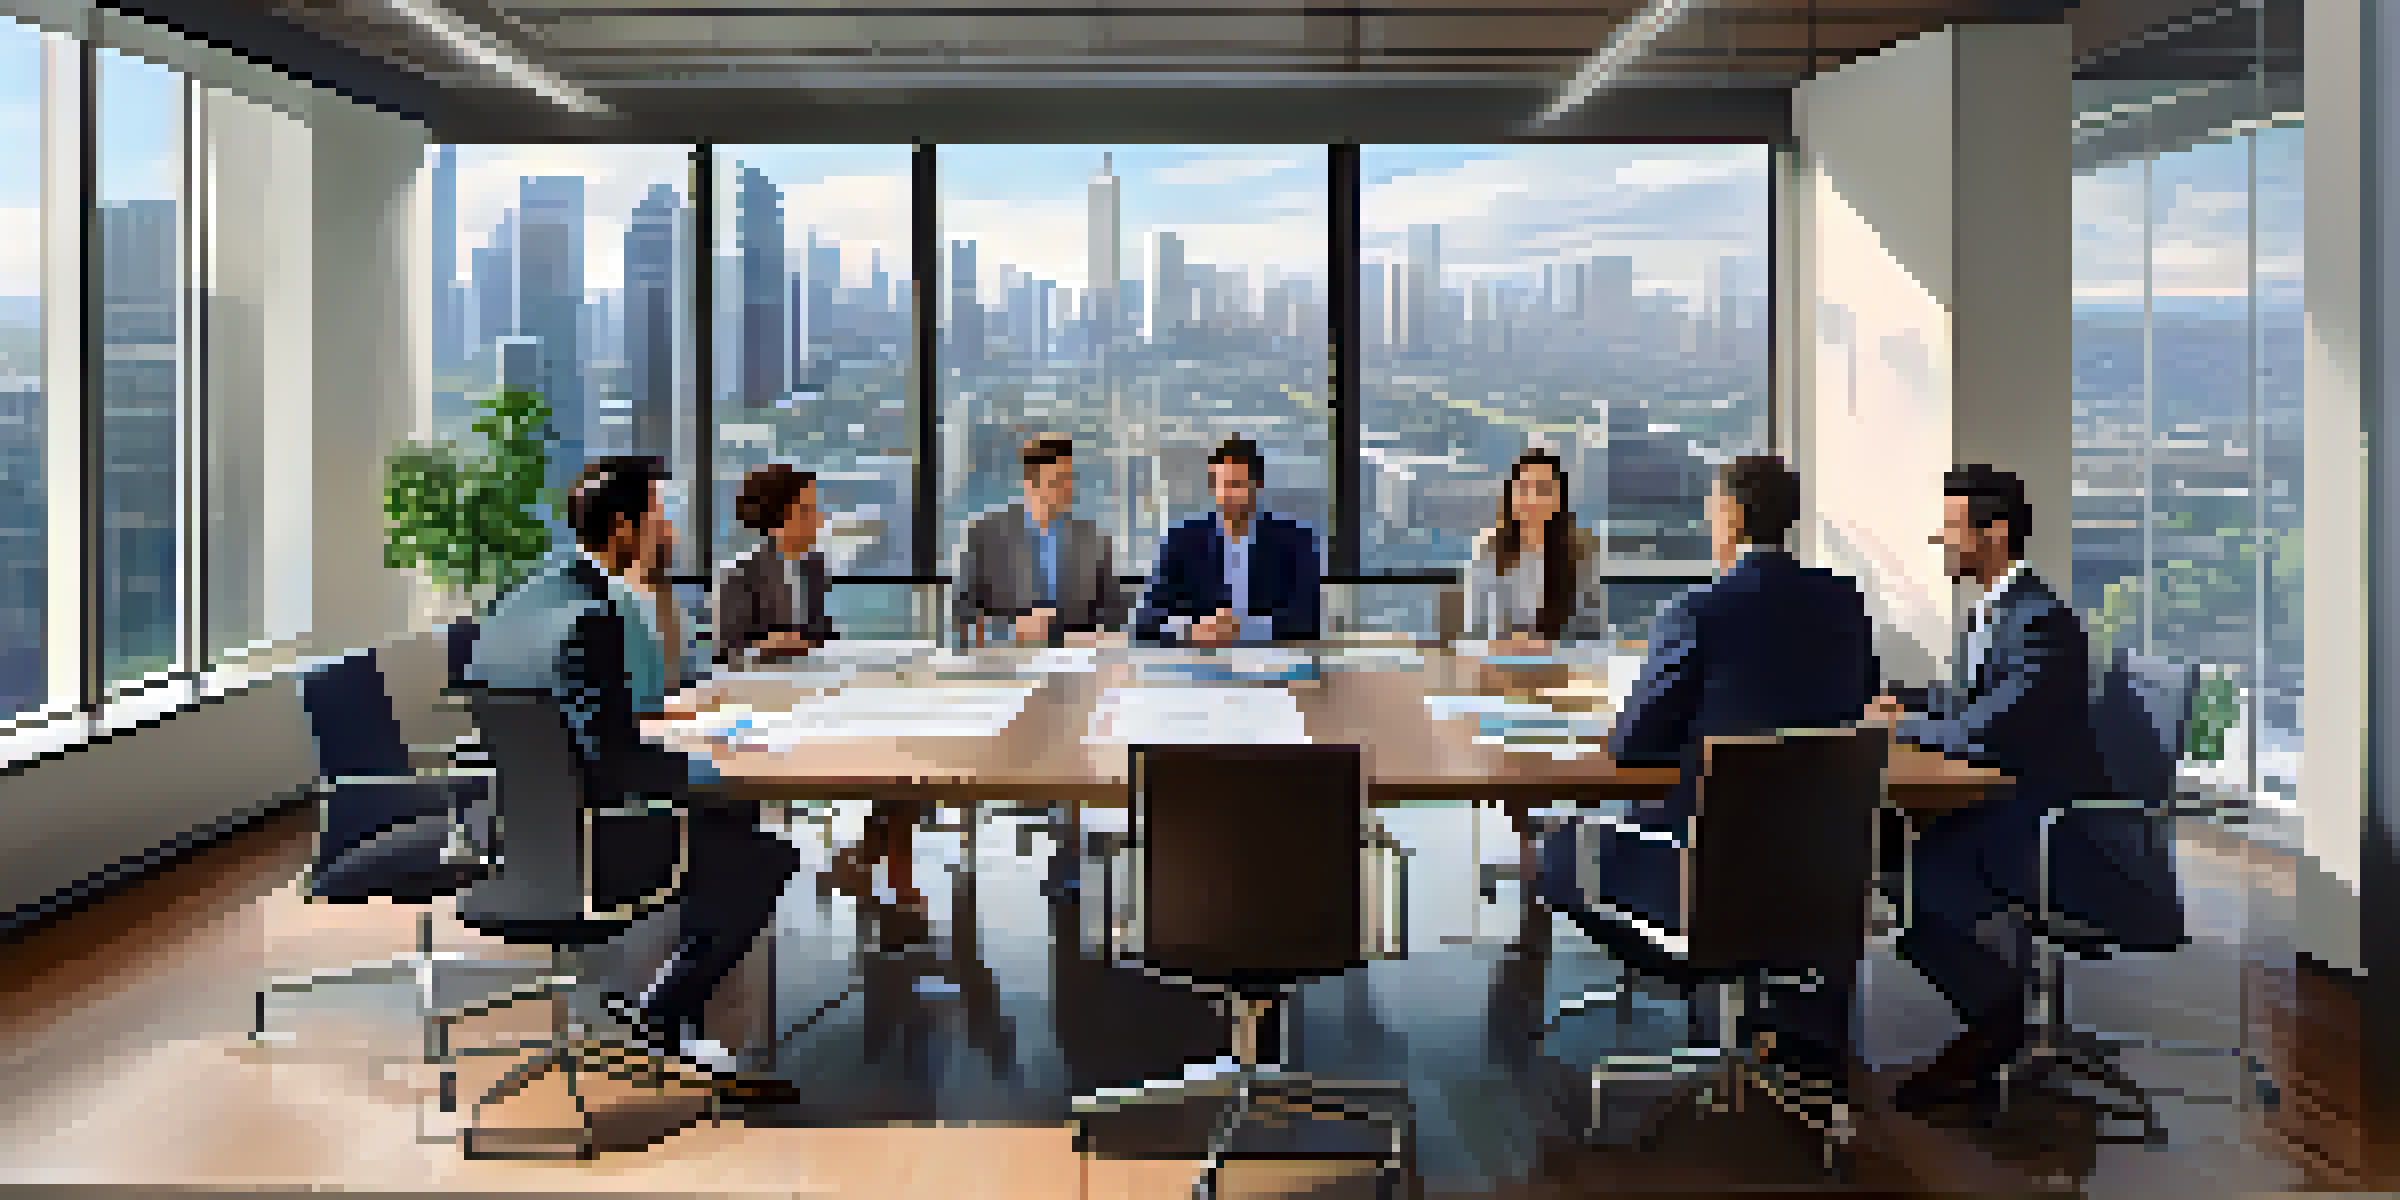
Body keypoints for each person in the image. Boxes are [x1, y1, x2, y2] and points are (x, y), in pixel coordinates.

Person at [1536, 455, 1880, 1084]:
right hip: (1817, 880)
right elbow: (1854, 706)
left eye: (1713, 509)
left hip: (1704, 884)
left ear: (1734, 519)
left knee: (1559, 851)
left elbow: (1633, 745)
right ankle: (1769, 1023)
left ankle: (1715, 1005)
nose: (1706, 519)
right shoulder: (1844, 604)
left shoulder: (1696, 612)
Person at [464, 456, 801, 1080]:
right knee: (765, 856)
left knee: (726, 833)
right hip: (592, 843)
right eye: (656, 514)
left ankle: (662, 1007)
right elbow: (614, 761)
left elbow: (584, 740)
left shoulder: (523, 602)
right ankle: (664, 1016)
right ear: (622, 527)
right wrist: (714, 766)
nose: (663, 527)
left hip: (515, 837)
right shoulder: (592, 618)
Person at [1864, 464, 2117, 1115]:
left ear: (1993, 533)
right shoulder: (1996, 609)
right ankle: (1992, 1001)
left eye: (1951, 529)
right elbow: (1969, 699)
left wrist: (1911, 724)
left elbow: (1986, 729)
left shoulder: (2041, 623)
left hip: (2045, 818)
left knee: (1917, 887)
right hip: (2004, 801)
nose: (1940, 541)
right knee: (1891, 859)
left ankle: (1995, 1020)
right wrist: (1909, 702)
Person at [1133, 435, 1321, 646]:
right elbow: (1147, 620)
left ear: (1258, 485)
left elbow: (1308, 619)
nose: (1227, 494)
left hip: (1270, 659)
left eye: (1236, 485)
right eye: (1220, 484)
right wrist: (1193, 630)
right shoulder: (1182, 540)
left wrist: (1243, 629)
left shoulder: (1295, 541)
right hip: (1197, 661)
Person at [954, 435, 1128, 647]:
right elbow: (964, 613)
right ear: (1031, 483)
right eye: (1058, 481)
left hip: (1077, 660)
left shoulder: (1094, 541)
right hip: (1008, 659)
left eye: (1070, 479)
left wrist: (1097, 640)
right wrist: (1012, 631)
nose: (1068, 489)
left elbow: (1115, 616)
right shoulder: (987, 536)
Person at [1465, 448, 1606, 649]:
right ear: (1510, 494)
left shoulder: (1581, 550)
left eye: (1542, 489)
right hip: (1500, 663)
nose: (1531, 499)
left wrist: (1548, 647)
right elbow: (1476, 632)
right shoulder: (1489, 547)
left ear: (1558, 500)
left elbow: (1592, 631)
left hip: (1562, 665)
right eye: (1524, 488)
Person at [714, 464, 836, 667]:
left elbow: (820, 633)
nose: (818, 520)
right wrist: (765, 646)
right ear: (779, 518)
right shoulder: (740, 573)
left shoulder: (814, 567)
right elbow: (726, 653)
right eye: (807, 510)